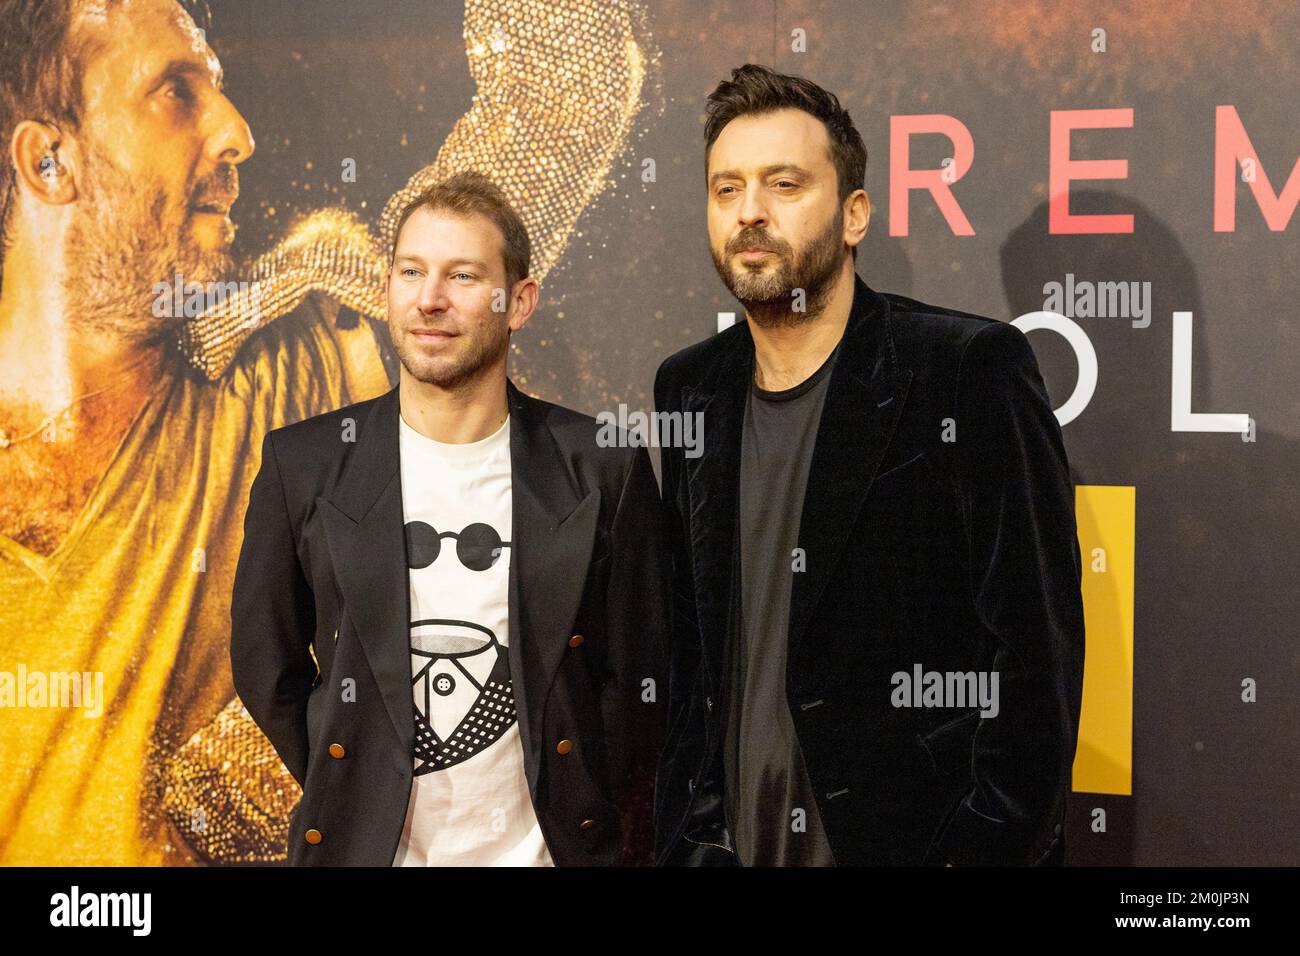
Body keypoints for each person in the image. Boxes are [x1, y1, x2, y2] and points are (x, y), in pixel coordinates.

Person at [652, 64, 1086, 867]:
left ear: (855, 215)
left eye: (784, 184)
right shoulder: (690, 387)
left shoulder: (965, 371)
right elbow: (687, 654)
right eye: (726, 189)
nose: (750, 212)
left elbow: (1034, 659)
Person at [231, 171, 668, 865]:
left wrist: (579, 788)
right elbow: (266, 667)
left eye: (462, 276)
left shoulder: (600, 465)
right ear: (386, 289)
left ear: (519, 301)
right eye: (411, 272)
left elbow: (644, 676)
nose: (429, 299)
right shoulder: (305, 464)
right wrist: (354, 780)